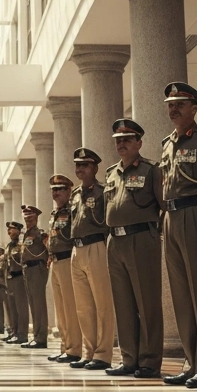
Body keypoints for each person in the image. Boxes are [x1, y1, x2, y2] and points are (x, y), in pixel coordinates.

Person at [158, 83, 197, 389]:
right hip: (171, 217)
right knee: (182, 296)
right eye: (170, 105)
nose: (174, 109)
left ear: (194, 108)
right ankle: (192, 362)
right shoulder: (167, 143)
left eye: (180, 104)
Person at [103, 119, 166, 379]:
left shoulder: (152, 170)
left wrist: (157, 235)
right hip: (114, 242)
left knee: (146, 302)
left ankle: (149, 361)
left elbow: (164, 205)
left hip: (141, 239)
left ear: (139, 142)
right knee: (123, 303)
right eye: (118, 140)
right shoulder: (111, 173)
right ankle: (129, 358)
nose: (122, 144)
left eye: (127, 139)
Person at [69, 148, 114, 370]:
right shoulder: (75, 194)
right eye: (78, 165)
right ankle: (88, 351)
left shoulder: (102, 192)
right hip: (76, 250)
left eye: (84, 165)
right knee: (83, 306)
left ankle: (104, 354)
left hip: (96, 246)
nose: (80, 169)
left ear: (95, 168)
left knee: (102, 303)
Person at [44, 174, 82, 365]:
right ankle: (65, 346)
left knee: (70, 307)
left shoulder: (72, 210)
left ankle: (75, 349)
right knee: (60, 308)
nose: (56, 192)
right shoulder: (55, 213)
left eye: (60, 189)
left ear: (69, 190)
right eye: (54, 189)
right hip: (55, 262)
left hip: (67, 259)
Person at [19, 207, 51, 349]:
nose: (27, 218)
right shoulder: (25, 235)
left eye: (30, 216)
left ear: (36, 217)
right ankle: (36, 336)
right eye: (25, 216)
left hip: (37, 268)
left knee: (38, 304)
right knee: (32, 303)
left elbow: (49, 249)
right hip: (27, 269)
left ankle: (41, 337)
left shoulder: (40, 234)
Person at [4, 224, 28, 344]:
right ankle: (14, 332)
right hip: (10, 279)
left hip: (19, 277)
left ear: (18, 231)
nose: (9, 231)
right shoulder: (9, 246)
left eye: (12, 229)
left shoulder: (21, 244)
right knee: (12, 308)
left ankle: (22, 335)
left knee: (21, 308)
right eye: (8, 229)